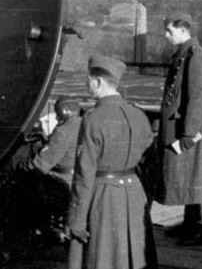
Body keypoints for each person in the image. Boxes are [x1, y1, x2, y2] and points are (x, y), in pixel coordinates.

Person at [67, 55, 156, 269]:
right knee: (135, 254)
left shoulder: (92, 119)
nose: (87, 85)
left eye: (88, 80)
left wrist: (77, 219)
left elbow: (84, 174)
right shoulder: (139, 115)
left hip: (103, 195)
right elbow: (150, 161)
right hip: (134, 193)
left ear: (97, 82)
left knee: (104, 258)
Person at [156, 12, 202, 245]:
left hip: (191, 126)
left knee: (196, 174)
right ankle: (190, 224)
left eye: (169, 31)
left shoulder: (195, 55)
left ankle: (201, 228)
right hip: (184, 123)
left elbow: (197, 96)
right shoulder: (184, 53)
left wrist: (189, 133)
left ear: (183, 30)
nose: (166, 35)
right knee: (188, 174)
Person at [20, 96, 82, 237]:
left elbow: (43, 163)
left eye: (57, 113)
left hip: (63, 180)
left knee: (27, 190)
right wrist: (47, 140)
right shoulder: (83, 124)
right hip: (79, 177)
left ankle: (42, 232)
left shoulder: (63, 131)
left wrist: (26, 170)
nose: (57, 117)